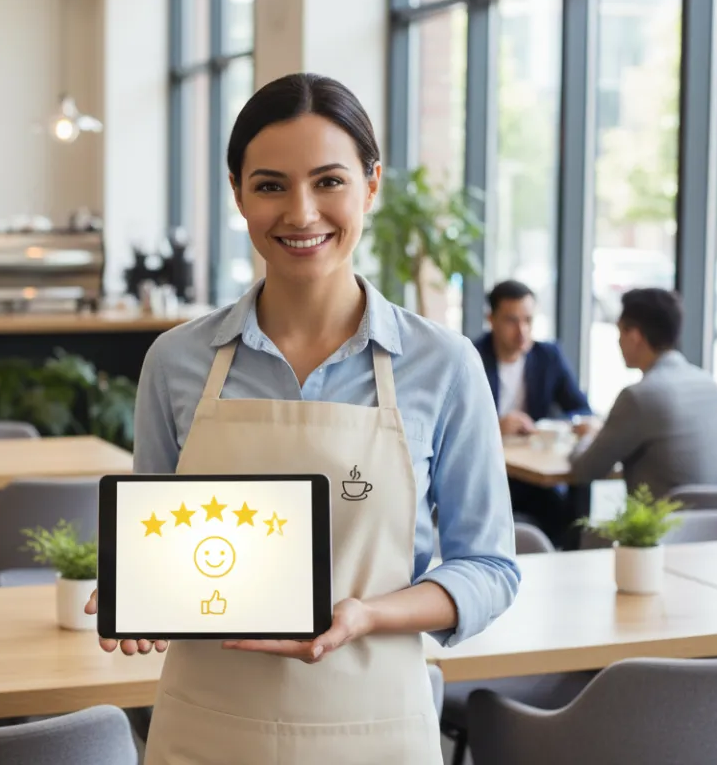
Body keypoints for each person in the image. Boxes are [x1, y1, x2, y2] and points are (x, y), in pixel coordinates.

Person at [85, 73, 519, 764]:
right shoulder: (176, 360)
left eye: (328, 182)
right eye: (270, 185)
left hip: (376, 727)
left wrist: (366, 614)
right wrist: (137, 595)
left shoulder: (444, 364)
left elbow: (490, 568)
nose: (301, 213)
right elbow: (165, 543)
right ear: (237, 193)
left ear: (371, 184)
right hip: (209, 730)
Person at [569, 288, 717, 498]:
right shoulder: (712, 387)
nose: (618, 342)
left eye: (620, 332)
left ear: (635, 336)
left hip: (664, 529)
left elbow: (586, 470)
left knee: (583, 529)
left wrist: (588, 435)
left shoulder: (639, 397)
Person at [474, 280, 594, 544]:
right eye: (512, 321)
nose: (522, 331)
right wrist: (496, 425)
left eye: (528, 320)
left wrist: (551, 424)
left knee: (571, 506)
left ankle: (573, 556)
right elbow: (454, 423)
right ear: (491, 319)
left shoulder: (547, 356)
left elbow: (581, 408)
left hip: (533, 469)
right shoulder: (473, 357)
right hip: (490, 471)